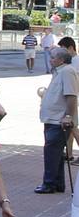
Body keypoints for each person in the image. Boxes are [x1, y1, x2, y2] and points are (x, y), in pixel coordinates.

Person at [36, 47, 78, 194]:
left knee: (51, 152)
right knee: (56, 153)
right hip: (52, 119)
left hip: (58, 120)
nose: (50, 59)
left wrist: (68, 116)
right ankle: (57, 183)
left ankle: (49, 183)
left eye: (53, 57)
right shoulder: (59, 72)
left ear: (61, 59)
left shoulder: (67, 71)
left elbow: (71, 96)